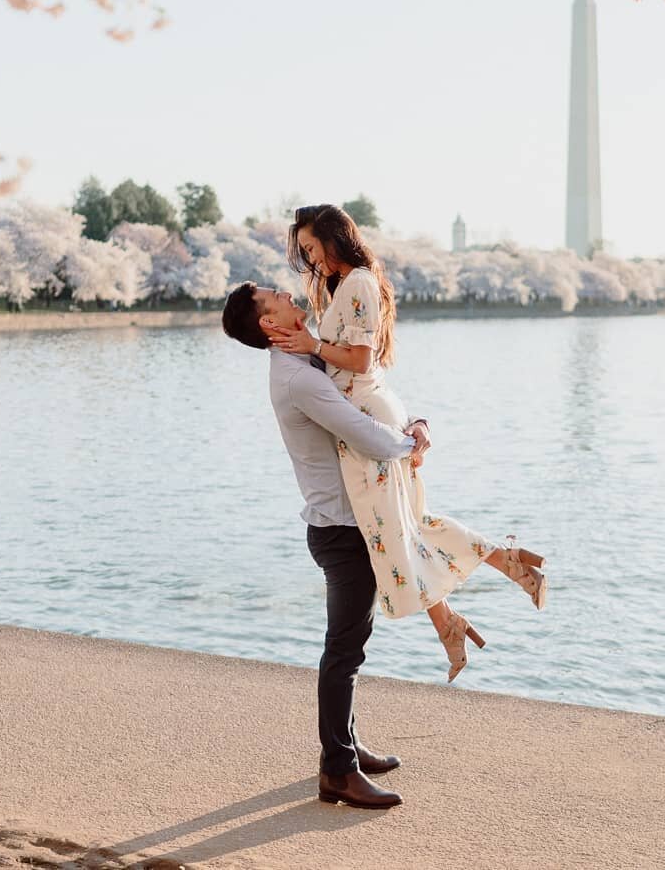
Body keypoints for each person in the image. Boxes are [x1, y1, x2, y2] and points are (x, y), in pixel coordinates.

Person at [268, 205, 547, 677]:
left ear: (335, 239)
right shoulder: (351, 282)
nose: (311, 261)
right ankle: (477, 595)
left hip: (366, 424)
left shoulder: (357, 281)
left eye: (313, 248)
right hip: (370, 413)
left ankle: (502, 569)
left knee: (393, 534)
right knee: (404, 526)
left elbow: (357, 359)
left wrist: (314, 346)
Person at [222, 281, 431, 809]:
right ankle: (337, 769)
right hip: (341, 531)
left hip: (345, 523)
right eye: (280, 299)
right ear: (270, 325)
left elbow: (366, 394)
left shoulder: (306, 362)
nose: (294, 297)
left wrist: (412, 421)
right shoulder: (297, 378)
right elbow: (364, 434)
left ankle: (349, 747)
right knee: (344, 651)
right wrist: (413, 442)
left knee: (350, 647)